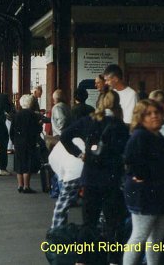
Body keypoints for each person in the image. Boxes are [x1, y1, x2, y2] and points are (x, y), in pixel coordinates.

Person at [59, 90, 129, 265]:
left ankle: (82, 260)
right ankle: (113, 260)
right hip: (112, 181)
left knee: (88, 224)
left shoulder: (88, 121)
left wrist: (79, 154)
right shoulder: (120, 126)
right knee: (114, 224)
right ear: (117, 105)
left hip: (90, 179)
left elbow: (65, 136)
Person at [123, 99, 164, 265]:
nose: (154, 116)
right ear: (140, 117)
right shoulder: (140, 136)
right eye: (148, 113)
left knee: (155, 239)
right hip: (145, 195)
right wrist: (143, 176)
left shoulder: (157, 136)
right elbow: (131, 160)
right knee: (140, 237)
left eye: (156, 112)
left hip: (159, 194)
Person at [10, 94, 42, 193]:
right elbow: (37, 130)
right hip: (29, 142)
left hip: (18, 142)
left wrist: (14, 141)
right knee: (27, 164)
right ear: (31, 103)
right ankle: (26, 186)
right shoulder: (33, 115)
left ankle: (20, 185)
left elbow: (12, 131)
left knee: (19, 164)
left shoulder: (16, 115)